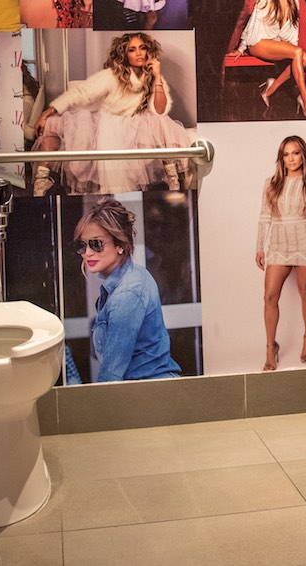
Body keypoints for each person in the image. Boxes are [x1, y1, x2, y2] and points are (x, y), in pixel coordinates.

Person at [31, 33, 191, 196]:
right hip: (109, 123)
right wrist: (47, 113)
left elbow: (160, 109)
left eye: (142, 48)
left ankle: (173, 180)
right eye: (132, 50)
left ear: (149, 51)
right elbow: (81, 93)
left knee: (159, 121)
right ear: (124, 55)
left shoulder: (151, 76)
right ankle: (41, 182)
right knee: (53, 124)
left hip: (137, 123)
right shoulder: (112, 75)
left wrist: (157, 77)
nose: (138, 53)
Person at [75, 197, 181, 382]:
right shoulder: (133, 276)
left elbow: (112, 374)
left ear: (120, 245)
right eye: (82, 245)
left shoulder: (127, 293)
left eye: (96, 244)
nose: (87, 253)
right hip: (149, 388)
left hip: (148, 391)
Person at [258, 136, 306, 370]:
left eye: (295, 153)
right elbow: (264, 217)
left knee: (305, 291)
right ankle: (270, 347)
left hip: (305, 241)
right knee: (269, 296)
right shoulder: (271, 183)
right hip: (279, 243)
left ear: (303, 156)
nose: (291, 159)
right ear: (281, 158)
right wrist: (260, 247)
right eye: (286, 154)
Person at [231, 0, 306, 118]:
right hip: (258, 42)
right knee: (298, 53)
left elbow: (294, 27)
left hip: (276, 42)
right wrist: (242, 47)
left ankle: (271, 88)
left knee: (304, 59)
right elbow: (253, 22)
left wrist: (292, 47)